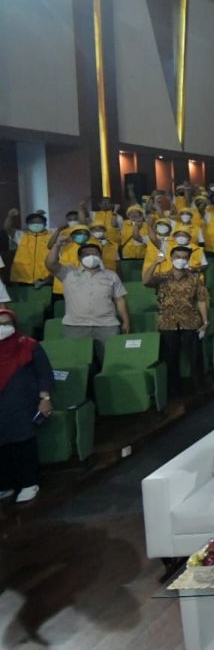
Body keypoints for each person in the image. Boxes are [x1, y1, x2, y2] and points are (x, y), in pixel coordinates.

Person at [0, 309, 54, 503]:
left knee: (23, 442)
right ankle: (5, 485)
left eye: (6, 323)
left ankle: (29, 483)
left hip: (22, 402)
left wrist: (45, 398)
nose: (3, 327)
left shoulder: (29, 345)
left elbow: (44, 373)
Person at [46, 235, 130, 355]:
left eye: (94, 253)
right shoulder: (68, 273)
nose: (91, 256)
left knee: (109, 359)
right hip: (76, 326)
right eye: (86, 254)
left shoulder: (111, 275)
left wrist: (126, 321)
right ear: (79, 258)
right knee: (77, 360)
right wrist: (57, 244)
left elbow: (120, 300)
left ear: (100, 256)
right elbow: (50, 263)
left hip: (106, 325)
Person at [143, 244, 209, 394]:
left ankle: (199, 388)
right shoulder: (162, 277)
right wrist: (155, 263)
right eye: (178, 257)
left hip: (190, 321)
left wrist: (205, 322)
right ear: (171, 258)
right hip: (167, 323)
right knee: (170, 358)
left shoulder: (195, 279)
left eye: (184, 257)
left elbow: (201, 300)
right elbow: (146, 281)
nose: (181, 260)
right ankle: (174, 390)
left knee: (195, 357)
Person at [4, 210, 53, 289]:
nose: (36, 225)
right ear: (28, 224)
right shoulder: (21, 235)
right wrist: (10, 216)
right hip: (23, 277)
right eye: (33, 222)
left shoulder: (52, 237)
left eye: (39, 222)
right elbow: (7, 228)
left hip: (45, 278)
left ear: (45, 224)